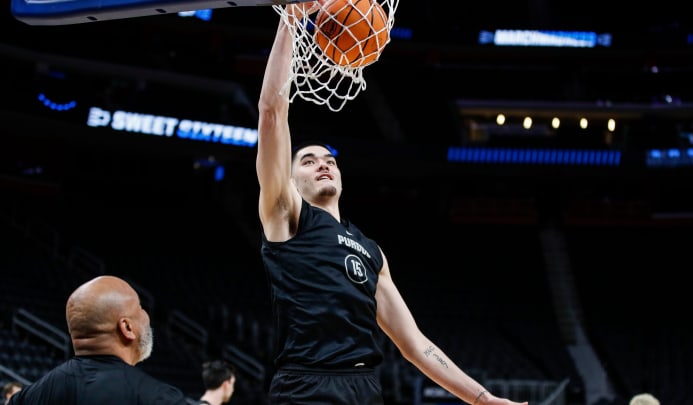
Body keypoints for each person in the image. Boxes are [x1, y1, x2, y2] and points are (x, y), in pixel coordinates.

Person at [255, 3, 530, 405]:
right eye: (309, 161)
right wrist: (291, 19)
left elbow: (414, 344)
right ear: (290, 179)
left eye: (329, 161)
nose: (323, 165)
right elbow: (272, 113)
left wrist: (481, 398)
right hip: (307, 385)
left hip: (365, 388)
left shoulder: (370, 251)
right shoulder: (287, 215)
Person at [8, 275, 189, 405]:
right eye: (140, 308)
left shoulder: (24, 398)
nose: (146, 315)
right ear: (127, 327)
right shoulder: (160, 398)